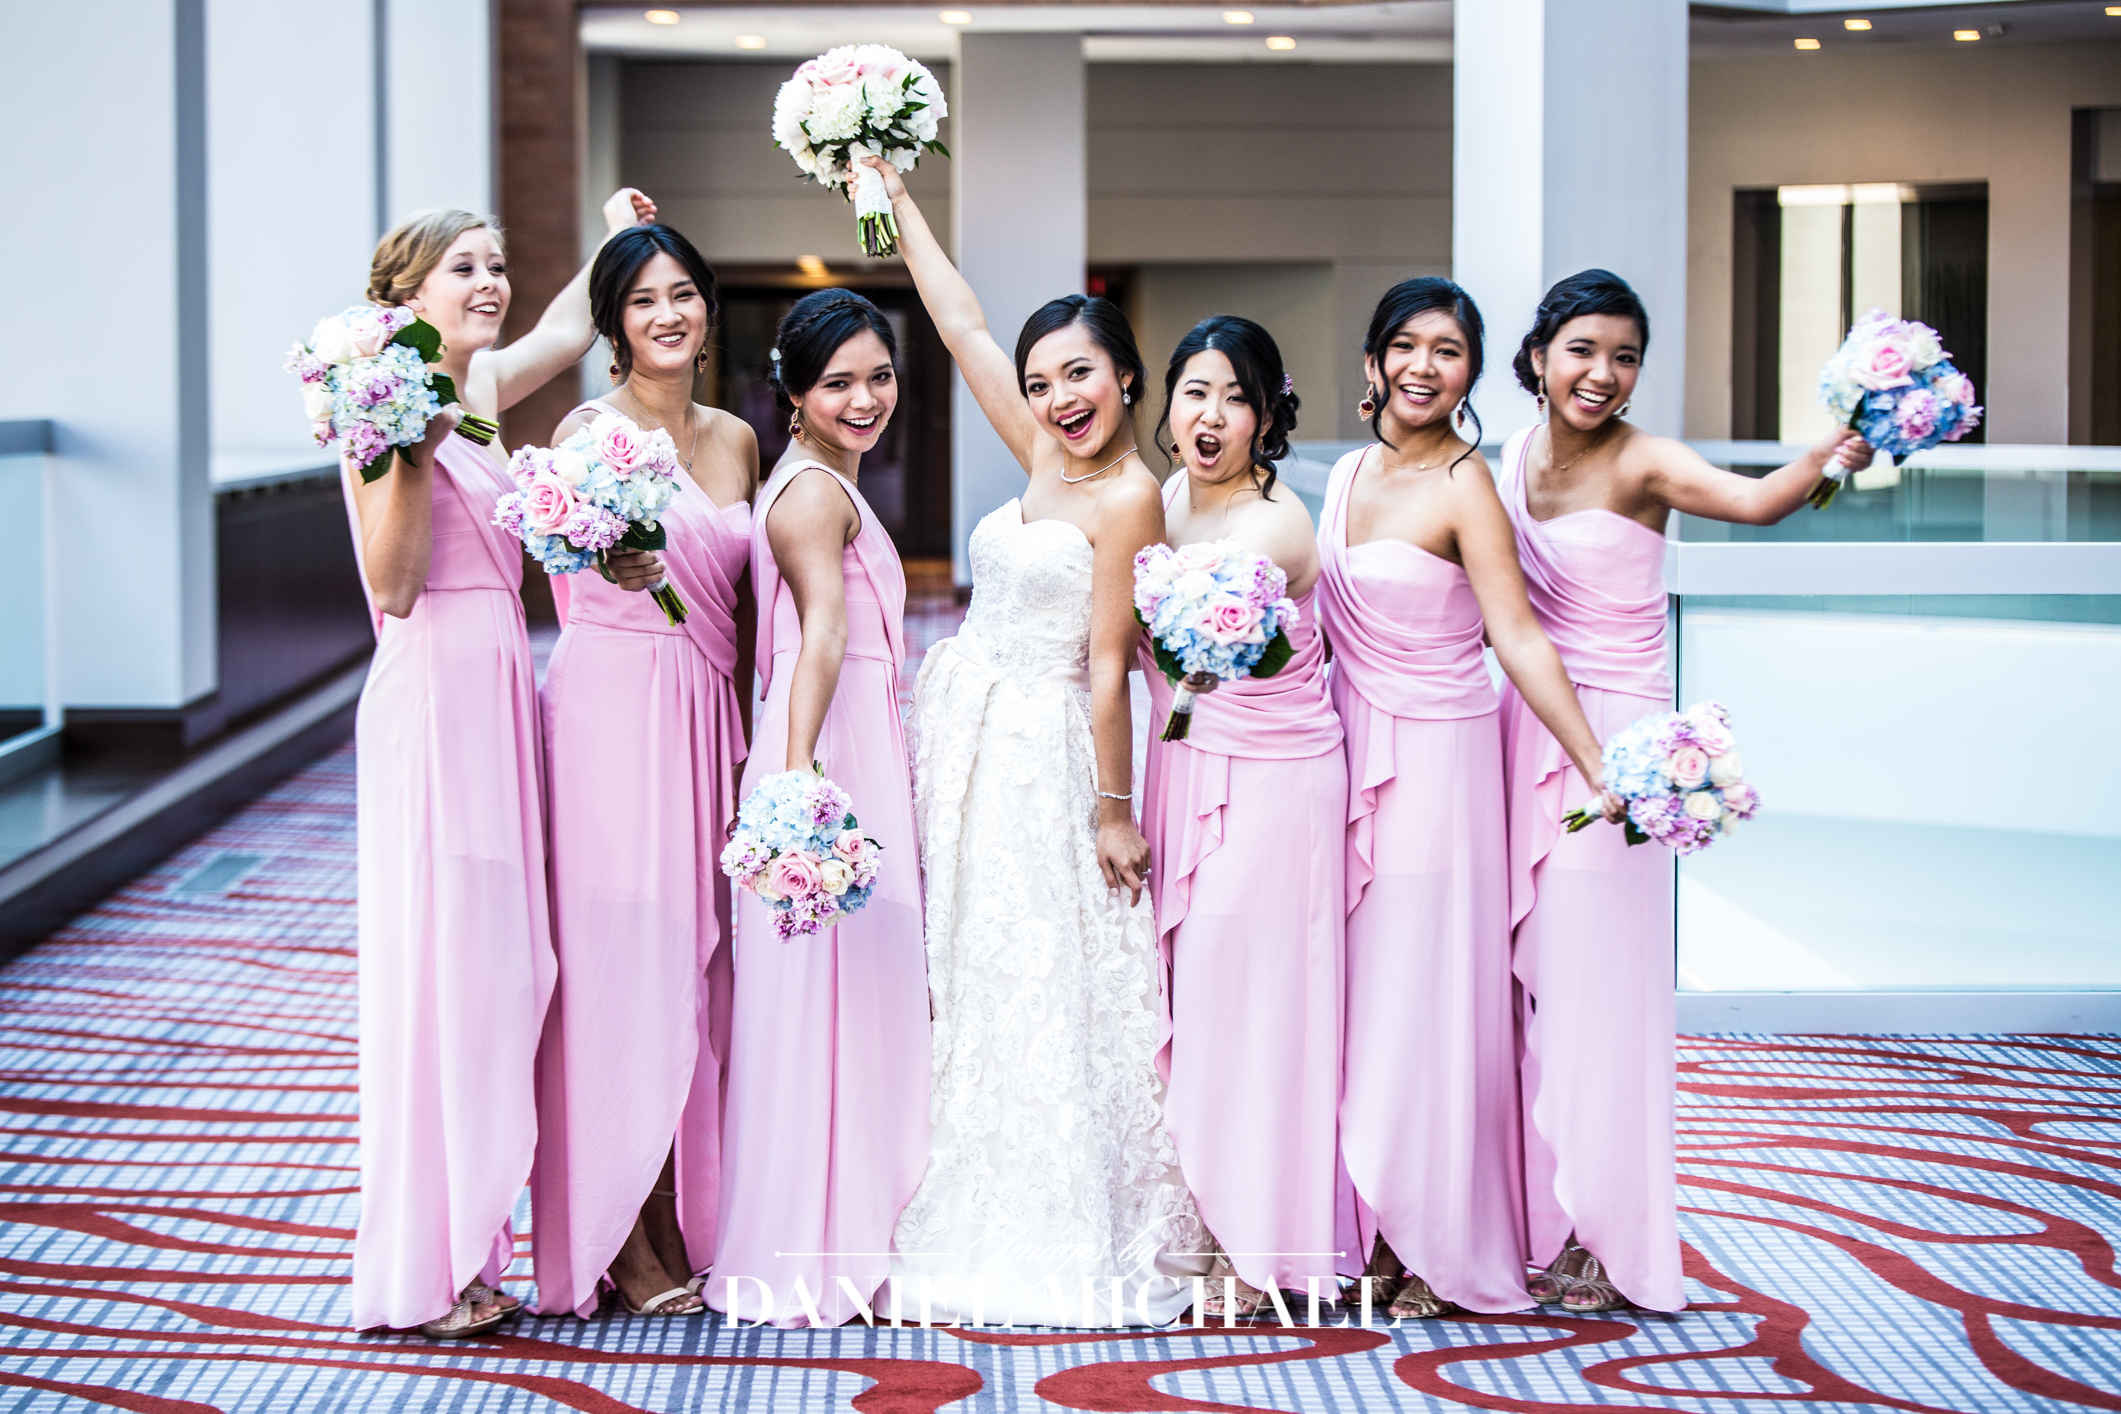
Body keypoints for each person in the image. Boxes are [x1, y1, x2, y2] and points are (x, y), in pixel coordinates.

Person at [860, 157, 1205, 1326]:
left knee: (1039, 968)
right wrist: (891, 193)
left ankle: (1047, 1211)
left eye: (1080, 373)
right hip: (966, 732)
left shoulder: (1129, 496)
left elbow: (1109, 665)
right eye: (1041, 380)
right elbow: (959, 322)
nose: (1058, 396)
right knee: (967, 960)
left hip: (1047, 753)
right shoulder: (1045, 458)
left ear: (1126, 374)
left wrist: (1112, 808)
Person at [1501, 269, 1871, 1314]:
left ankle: (1604, 1236)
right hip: (1520, 725)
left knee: (1603, 995)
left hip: (1617, 749)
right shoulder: (1508, 458)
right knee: (1526, 991)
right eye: (1582, 350)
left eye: (1624, 357)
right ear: (1537, 358)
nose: (1602, 373)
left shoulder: (1647, 460)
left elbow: (1753, 502)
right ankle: (1531, 1218)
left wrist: (1830, 456)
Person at [345, 188, 656, 1338]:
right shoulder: (388, 411)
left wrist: (617, 232)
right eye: (464, 268)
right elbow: (391, 585)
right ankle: (429, 1267)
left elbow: (567, 331)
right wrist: (412, 452)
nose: (489, 283)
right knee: (454, 971)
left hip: (496, 691)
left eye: (495, 264)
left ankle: (472, 1238)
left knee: (509, 970)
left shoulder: (471, 391)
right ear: (407, 295)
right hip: (436, 699)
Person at [1320, 277, 1620, 1320]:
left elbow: (1519, 637)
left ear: (1471, 375)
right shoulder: (1346, 472)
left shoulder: (1466, 486)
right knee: (1363, 1003)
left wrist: (1594, 761)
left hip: (1438, 769)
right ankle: (1372, 1225)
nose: (1423, 366)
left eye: (1447, 352)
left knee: (1426, 1000)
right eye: (1405, 346)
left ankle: (1436, 1240)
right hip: (1349, 751)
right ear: (1372, 362)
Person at [530, 223, 758, 1320]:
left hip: (708, 714)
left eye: (683, 294)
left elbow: (749, 609)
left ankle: (682, 1207)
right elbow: (562, 574)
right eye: (642, 300)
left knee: (701, 966)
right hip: (614, 714)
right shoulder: (588, 433)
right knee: (624, 961)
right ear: (613, 323)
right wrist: (604, 557)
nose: (667, 314)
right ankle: (621, 1223)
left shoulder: (738, 440)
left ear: (707, 309)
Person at [706, 290, 930, 1328]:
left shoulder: (824, 479)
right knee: (829, 993)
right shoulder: (810, 494)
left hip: (838, 737)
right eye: (838, 382)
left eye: (878, 376)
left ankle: (849, 1217)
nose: (865, 398)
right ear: (792, 395)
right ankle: (821, 1235)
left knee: (850, 991)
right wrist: (800, 781)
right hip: (830, 746)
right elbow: (825, 633)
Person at [1141, 316, 1346, 1318]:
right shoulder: (1167, 499)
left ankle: (1259, 1243)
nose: (1212, 415)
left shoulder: (1275, 525)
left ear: (1266, 416)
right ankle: (1208, 1216)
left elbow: (1193, 652)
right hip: (1186, 768)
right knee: (1200, 997)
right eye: (1195, 392)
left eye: (1235, 397)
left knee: (1254, 1005)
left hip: (1270, 786)